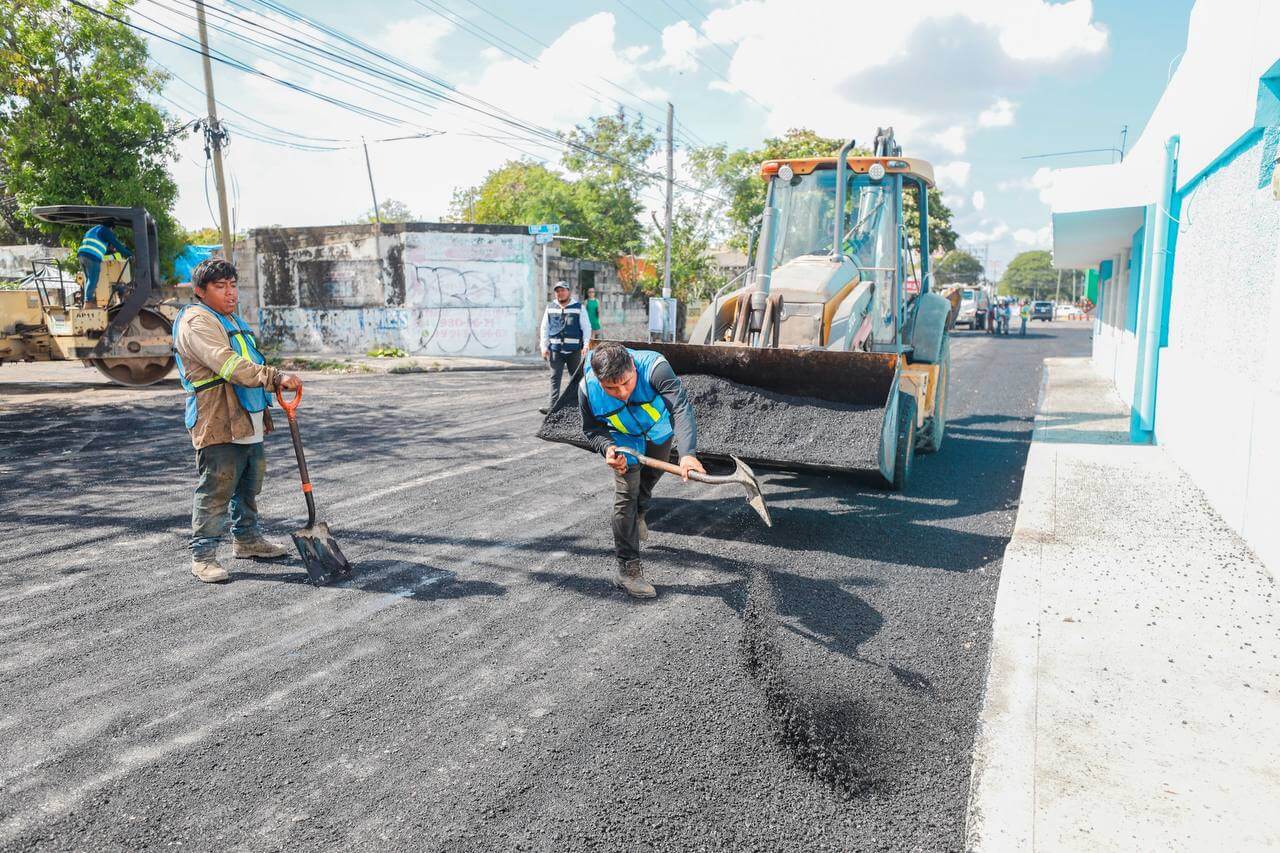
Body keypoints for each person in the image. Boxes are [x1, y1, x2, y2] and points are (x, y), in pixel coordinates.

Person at [173, 258, 302, 584]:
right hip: (218, 417)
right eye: (220, 286)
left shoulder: (230, 319)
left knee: (248, 483)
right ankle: (202, 557)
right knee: (217, 486)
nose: (230, 293)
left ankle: (247, 539)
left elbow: (249, 359)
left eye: (232, 285)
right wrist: (274, 377)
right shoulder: (198, 321)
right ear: (200, 291)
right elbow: (227, 364)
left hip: (247, 416)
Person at [579, 342, 704, 599]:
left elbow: (680, 407)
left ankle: (641, 513)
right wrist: (608, 449)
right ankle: (628, 570)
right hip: (623, 438)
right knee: (627, 494)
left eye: (626, 383)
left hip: (658, 430)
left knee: (649, 480)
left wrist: (688, 455)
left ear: (633, 367)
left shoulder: (655, 369)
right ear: (599, 381)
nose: (622, 393)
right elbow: (592, 429)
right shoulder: (587, 389)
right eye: (611, 388)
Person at [538, 281, 592, 414]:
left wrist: (586, 345)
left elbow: (586, 328)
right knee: (554, 378)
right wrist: (544, 347)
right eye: (557, 291)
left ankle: (578, 407)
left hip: (573, 350)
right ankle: (552, 407)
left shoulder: (579, 307)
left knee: (577, 379)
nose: (560, 293)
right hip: (555, 350)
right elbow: (545, 328)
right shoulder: (550, 307)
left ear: (568, 291)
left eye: (562, 290)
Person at [77, 223, 132, 306]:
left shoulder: (93, 230)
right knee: (93, 279)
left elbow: (99, 246)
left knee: (88, 280)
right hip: (92, 256)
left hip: (81, 255)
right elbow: (117, 245)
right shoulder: (105, 230)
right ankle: (88, 303)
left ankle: (88, 301)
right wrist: (130, 254)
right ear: (111, 228)